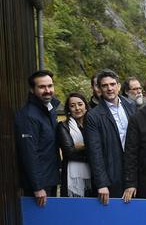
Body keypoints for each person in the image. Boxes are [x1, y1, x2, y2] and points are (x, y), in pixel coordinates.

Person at [85, 69, 137, 204]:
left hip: (134, 171)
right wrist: (101, 183)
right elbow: (94, 152)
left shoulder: (131, 106)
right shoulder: (93, 116)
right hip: (111, 174)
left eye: (112, 84)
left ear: (119, 86)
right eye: (105, 85)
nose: (109, 88)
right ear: (99, 89)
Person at [15, 70, 60, 206]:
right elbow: (28, 153)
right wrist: (37, 187)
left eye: (50, 86)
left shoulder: (49, 110)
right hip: (39, 186)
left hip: (50, 179)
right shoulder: (28, 116)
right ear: (32, 90)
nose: (47, 90)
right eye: (42, 87)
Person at [56, 92, 93, 198]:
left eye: (80, 104)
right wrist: (90, 150)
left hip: (93, 173)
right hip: (70, 174)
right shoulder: (63, 126)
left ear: (86, 106)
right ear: (68, 109)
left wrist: (81, 146)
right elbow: (69, 152)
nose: (77, 108)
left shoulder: (93, 124)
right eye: (72, 106)